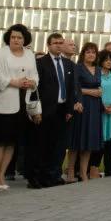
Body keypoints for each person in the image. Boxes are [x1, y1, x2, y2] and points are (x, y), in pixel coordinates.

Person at [0, 24, 40, 190]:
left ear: (25, 40)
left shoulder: (30, 54)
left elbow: (35, 75)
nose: (16, 40)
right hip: (2, 102)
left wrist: (32, 82)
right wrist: (13, 82)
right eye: (13, 37)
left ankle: (2, 175)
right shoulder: (0, 53)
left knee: (11, 142)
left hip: (22, 102)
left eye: (19, 38)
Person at [26, 33, 78, 189]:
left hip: (62, 110)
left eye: (61, 42)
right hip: (45, 109)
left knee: (58, 145)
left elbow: (71, 89)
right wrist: (36, 111)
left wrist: (69, 109)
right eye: (55, 42)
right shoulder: (40, 63)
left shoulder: (69, 65)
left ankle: (53, 175)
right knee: (41, 144)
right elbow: (36, 89)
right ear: (48, 45)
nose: (58, 45)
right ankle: (36, 177)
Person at [68, 42, 103, 181]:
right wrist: (91, 91)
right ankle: (70, 171)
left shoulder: (98, 69)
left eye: (93, 52)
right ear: (83, 54)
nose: (91, 55)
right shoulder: (78, 68)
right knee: (76, 140)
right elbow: (74, 87)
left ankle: (83, 172)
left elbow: (99, 87)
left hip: (95, 107)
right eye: (88, 52)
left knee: (89, 141)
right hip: (81, 105)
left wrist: (99, 92)